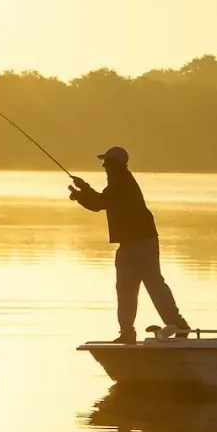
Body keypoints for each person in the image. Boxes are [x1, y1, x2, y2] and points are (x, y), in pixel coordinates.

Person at [70, 146, 190, 344]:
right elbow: (102, 200)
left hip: (142, 242)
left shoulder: (121, 182)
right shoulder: (119, 180)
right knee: (126, 289)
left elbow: (99, 203)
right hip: (130, 243)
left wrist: (81, 194)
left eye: (106, 162)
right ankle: (128, 332)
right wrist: (84, 189)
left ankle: (178, 325)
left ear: (115, 164)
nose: (103, 166)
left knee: (152, 285)